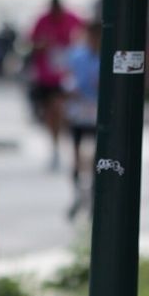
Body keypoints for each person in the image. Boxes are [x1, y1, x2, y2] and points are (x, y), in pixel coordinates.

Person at [26, 0, 83, 171]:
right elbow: (31, 44)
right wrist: (41, 46)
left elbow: (84, 37)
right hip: (45, 77)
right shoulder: (41, 21)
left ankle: (64, 145)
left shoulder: (73, 19)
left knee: (59, 109)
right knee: (50, 113)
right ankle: (55, 145)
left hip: (65, 77)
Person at [65, 20, 102, 220]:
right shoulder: (77, 56)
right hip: (79, 111)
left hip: (98, 112)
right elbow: (68, 79)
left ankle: (93, 196)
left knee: (97, 155)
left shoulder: (107, 57)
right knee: (77, 153)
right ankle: (78, 193)